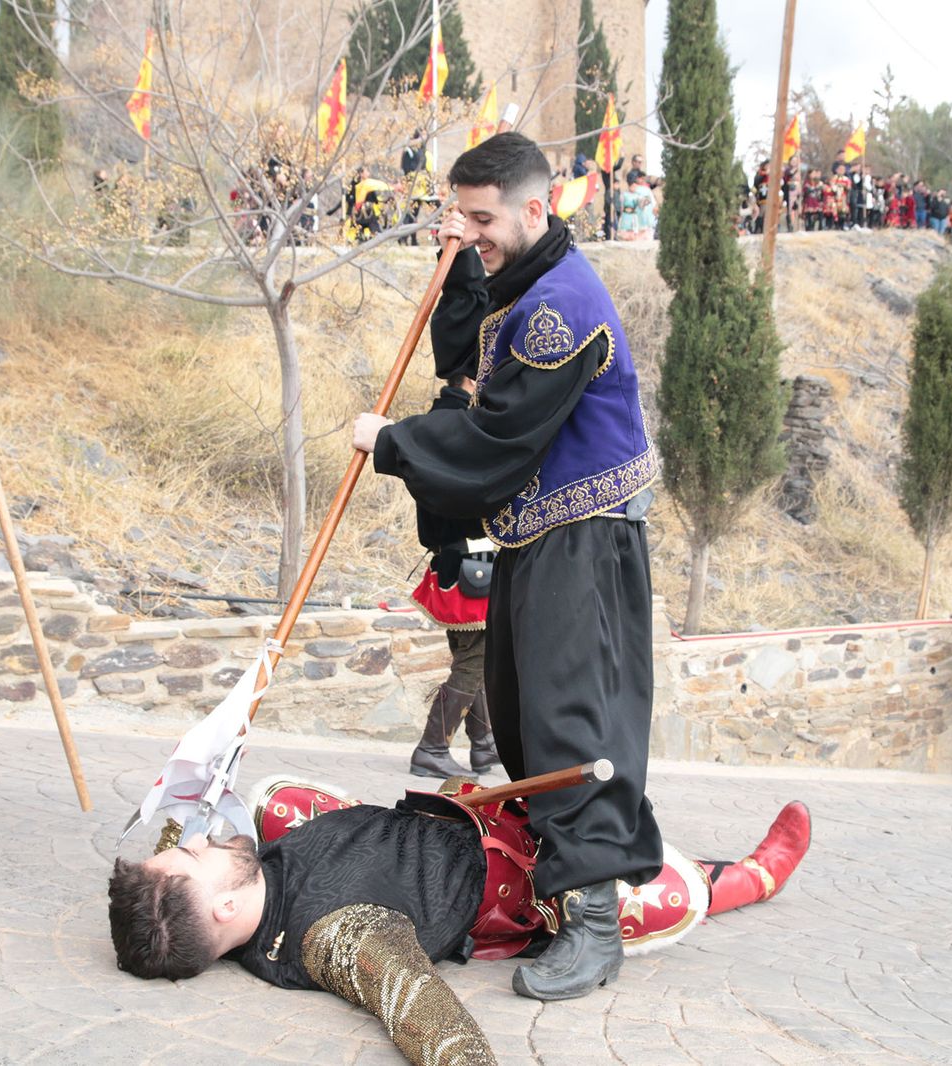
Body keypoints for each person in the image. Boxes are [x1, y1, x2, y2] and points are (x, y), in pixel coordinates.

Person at [349, 132, 661, 1001]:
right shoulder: (523, 284)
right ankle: (564, 903)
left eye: (484, 219)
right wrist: (458, 266)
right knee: (523, 725)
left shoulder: (564, 305)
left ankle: (595, 928)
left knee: (570, 726)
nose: (472, 231)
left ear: (537, 207)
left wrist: (393, 443)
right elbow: (468, 359)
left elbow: (497, 434)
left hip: (586, 539)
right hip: (541, 534)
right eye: (462, 216)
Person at [109, 778, 813, 1065]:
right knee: (671, 892)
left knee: (277, 797)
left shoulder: (240, 892)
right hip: (522, 882)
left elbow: (175, 881)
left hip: (465, 813)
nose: (200, 841)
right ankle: (749, 876)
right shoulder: (341, 937)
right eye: (194, 857)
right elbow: (430, 1020)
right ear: (224, 909)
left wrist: (176, 836)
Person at [404, 372, 500, 778]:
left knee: (473, 660)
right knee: (474, 663)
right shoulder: (460, 439)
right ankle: (432, 747)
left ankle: (485, 746)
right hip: (470, 566)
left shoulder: (430, 436)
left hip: (455, 564)